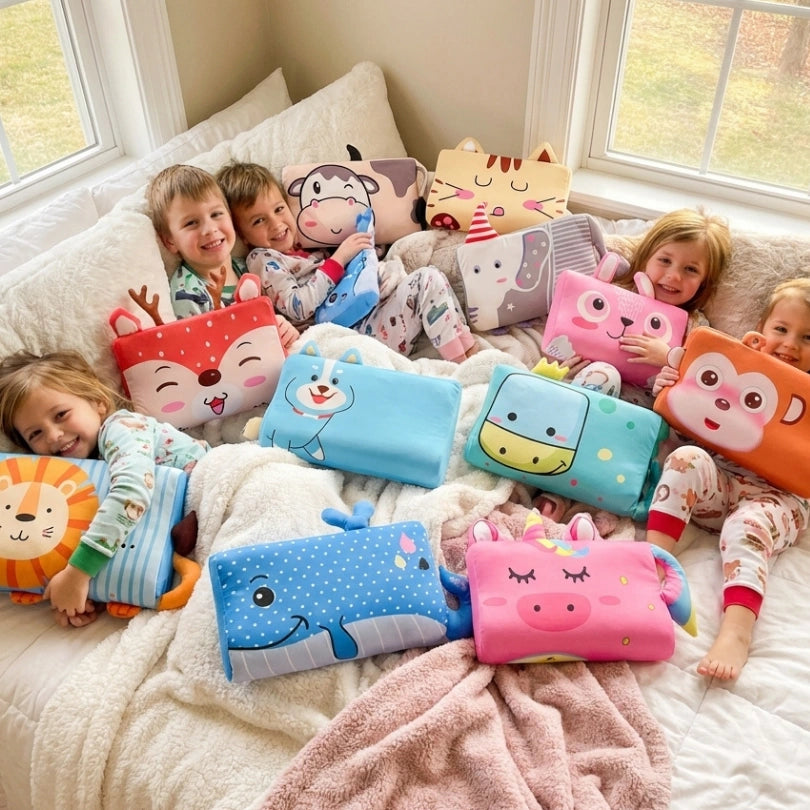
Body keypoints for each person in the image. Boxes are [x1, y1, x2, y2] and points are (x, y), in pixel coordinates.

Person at [646, 277, 810, 680]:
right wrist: (670, 386)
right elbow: (690, 426)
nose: (790, 345)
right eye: (781, 329)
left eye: (808, 338)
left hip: (779, 500)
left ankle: (737, 631)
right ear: (762, 328)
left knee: (748, 526)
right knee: (685, 459)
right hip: (720, 482)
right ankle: (651, 564)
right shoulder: (733, 366)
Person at [535, 207, 732, 523]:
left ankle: (603, 499)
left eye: (690, 269)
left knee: (655, 451)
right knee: (602, 375)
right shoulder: (616, 294)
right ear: (646, 257)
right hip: (594, 393)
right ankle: (554, 486)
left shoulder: (695, 328)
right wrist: (566, 364)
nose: (673, 276)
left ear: (704, 283)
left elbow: (703, 383)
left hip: (642, 414)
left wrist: (668, 356)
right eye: (665, 260)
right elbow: (570, 331)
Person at [0, 349, 210, 628]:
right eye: (35, 433)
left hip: (217, 482)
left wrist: (78, 573)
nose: (53, 435)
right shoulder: (79, 478)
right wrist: (83, 595)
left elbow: (132, 492)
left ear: (98, 403)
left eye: (61, 414)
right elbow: (126, 538)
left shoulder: (120, 428)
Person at [215, 161, 480, 363]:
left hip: (370, 314)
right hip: (345, 338)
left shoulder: (308, 244)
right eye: (258, 221)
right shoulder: (263, 258)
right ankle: (460, 362)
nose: (276, 224)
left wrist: (366, 250)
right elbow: (298, 307)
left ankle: (466, 350)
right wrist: (339, 258)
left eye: (279, 209)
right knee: (425, 281)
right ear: (242, 235)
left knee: (429, 276)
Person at [146, 164, 299, 348]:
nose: (210, 229)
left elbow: (274, 318)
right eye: (191, 223)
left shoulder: (246, 266)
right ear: (170, 241)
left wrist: (285, 329)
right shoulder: (188, 294)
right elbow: (204, 352)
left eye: (216, 214)